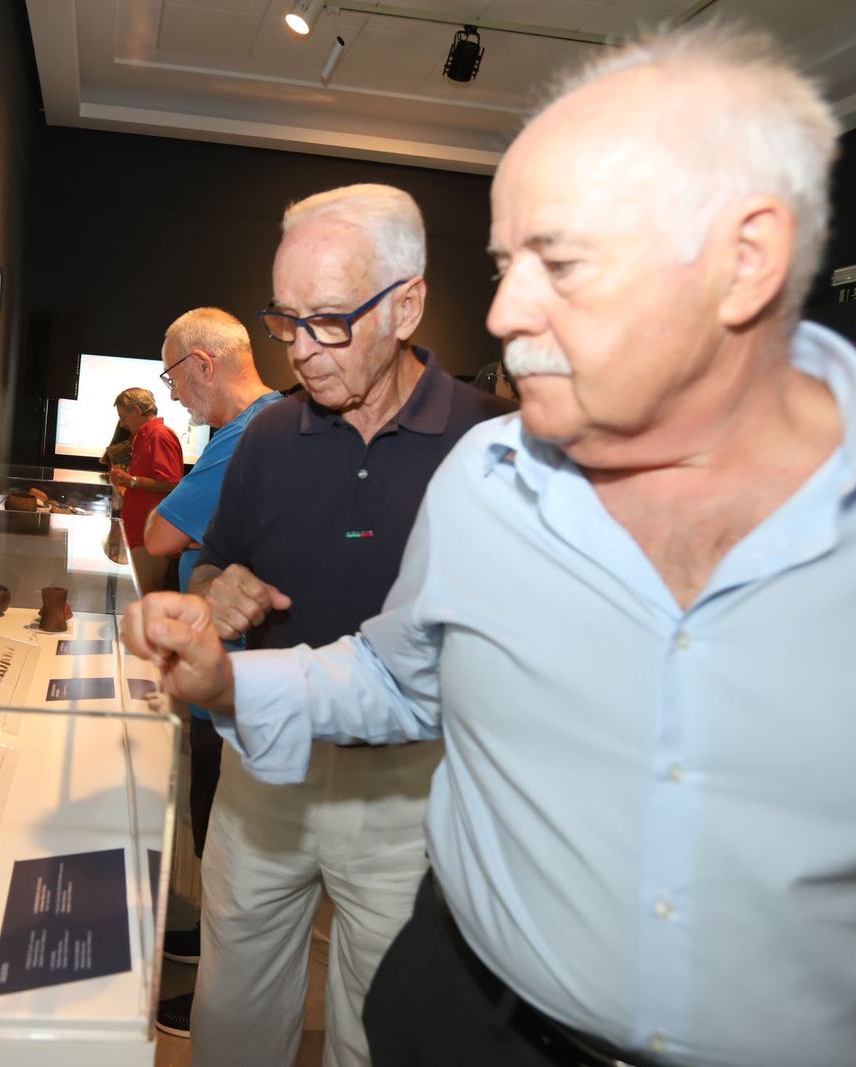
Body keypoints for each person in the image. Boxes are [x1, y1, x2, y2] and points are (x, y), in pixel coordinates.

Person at [123, 24, 856, 1067]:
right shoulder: (493, 480)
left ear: (745, 260)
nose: (504, 310)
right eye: (505, 264)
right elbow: (399, 676)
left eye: (561, 262)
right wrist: (226, 679)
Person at [179, 184, 513, 1067]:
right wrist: (217, 588)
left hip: (410, 788)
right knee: (231, 1008)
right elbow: (213, 559)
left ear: (406, 306)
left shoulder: (491, 443)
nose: (298, 348)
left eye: (327, 320)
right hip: (265, 767)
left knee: (380, 1027)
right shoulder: (268, 437)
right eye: (284, 320)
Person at [140, 307, 283, 1037]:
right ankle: (207, 948)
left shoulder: (250, 431)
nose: (172, 394)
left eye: (173, 376)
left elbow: (159, 534)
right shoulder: (252, 429)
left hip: (237, 678)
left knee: (231, 849)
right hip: (225, 674)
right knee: (216, 828)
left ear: (202, 363)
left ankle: (214, 997)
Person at [109, 387, 182, 593]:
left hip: (150, 537)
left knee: (146, 595)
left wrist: (131, 480)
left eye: (123, 417)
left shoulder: (160, 435)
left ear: (136, 410)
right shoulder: (144, 436)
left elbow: (172, 483)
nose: (122, 424)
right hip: (140, 535)